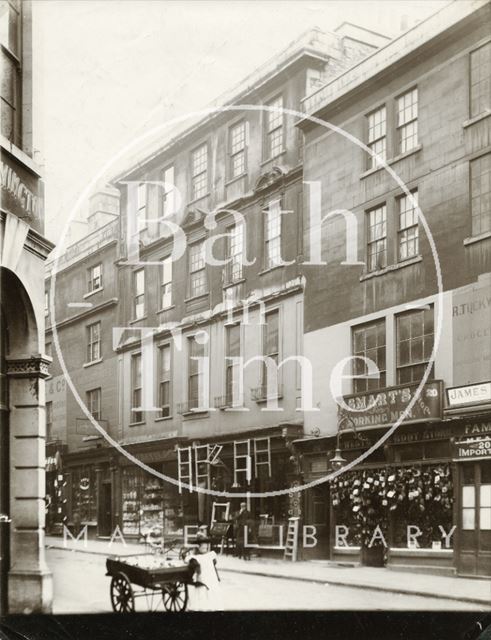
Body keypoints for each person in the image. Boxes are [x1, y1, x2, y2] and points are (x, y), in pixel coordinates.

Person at [187, 537, 223, 611]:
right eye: (202, 546)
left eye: (205, 546)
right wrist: (196, 565)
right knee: (203, 589)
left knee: (212, 589)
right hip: (203, 577)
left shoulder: (210, 555)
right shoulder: (196, 557)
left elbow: (214, 563)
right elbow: (192, 562)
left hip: (211, 577)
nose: (204, 548)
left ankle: (211, 605)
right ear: (198, 547)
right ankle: (203, 606)